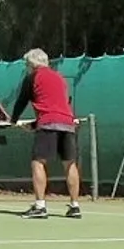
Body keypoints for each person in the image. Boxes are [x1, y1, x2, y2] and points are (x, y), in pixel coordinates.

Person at [9, 48, 82, 219]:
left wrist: (13, 119)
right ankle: (75, 206)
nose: (26, 67)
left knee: (38, 163)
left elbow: (22, 100)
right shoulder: (59, 78)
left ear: (32, 64)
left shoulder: (32, 77)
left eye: (27, 64)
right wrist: (35, 124)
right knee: (69, 164)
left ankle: (40, 206)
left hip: (49, 124)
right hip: (67, 123)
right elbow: (55, 105)